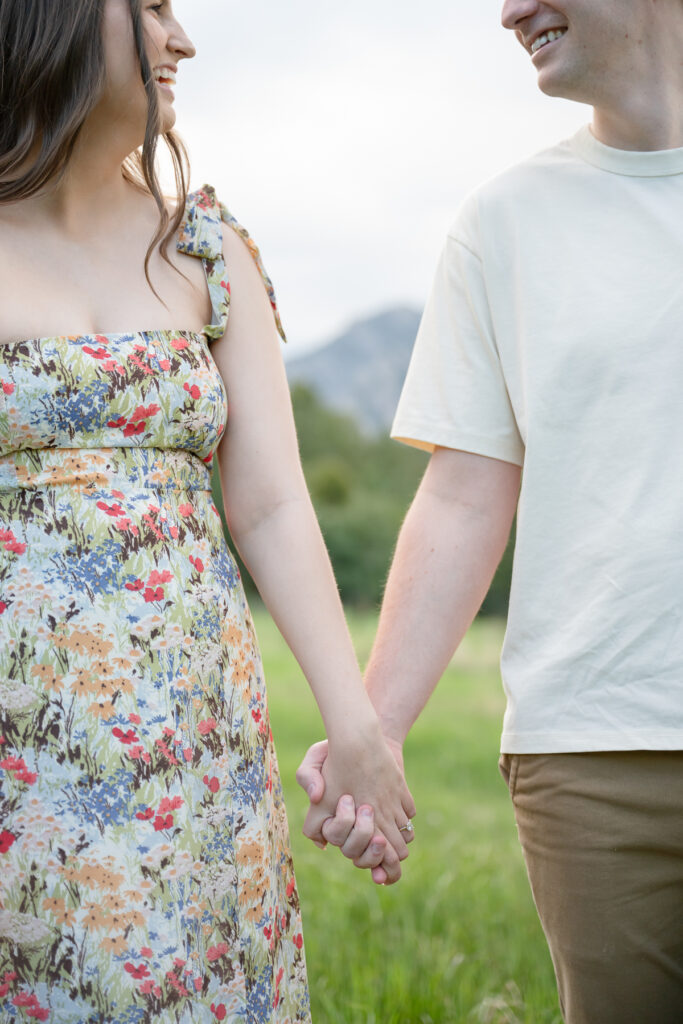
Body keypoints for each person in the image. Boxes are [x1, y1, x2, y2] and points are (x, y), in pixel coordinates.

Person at [0, 1, 416, 1020]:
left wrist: (356, 727)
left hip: (192, 728)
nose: (180, 39)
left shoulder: (209, 246)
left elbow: (271, 504)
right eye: (148, 7)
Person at [296, 1, 683, 1021]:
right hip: (596, 751)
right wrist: (371, 727)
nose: (508, 10)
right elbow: (465, 491)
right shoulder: (506, 222)